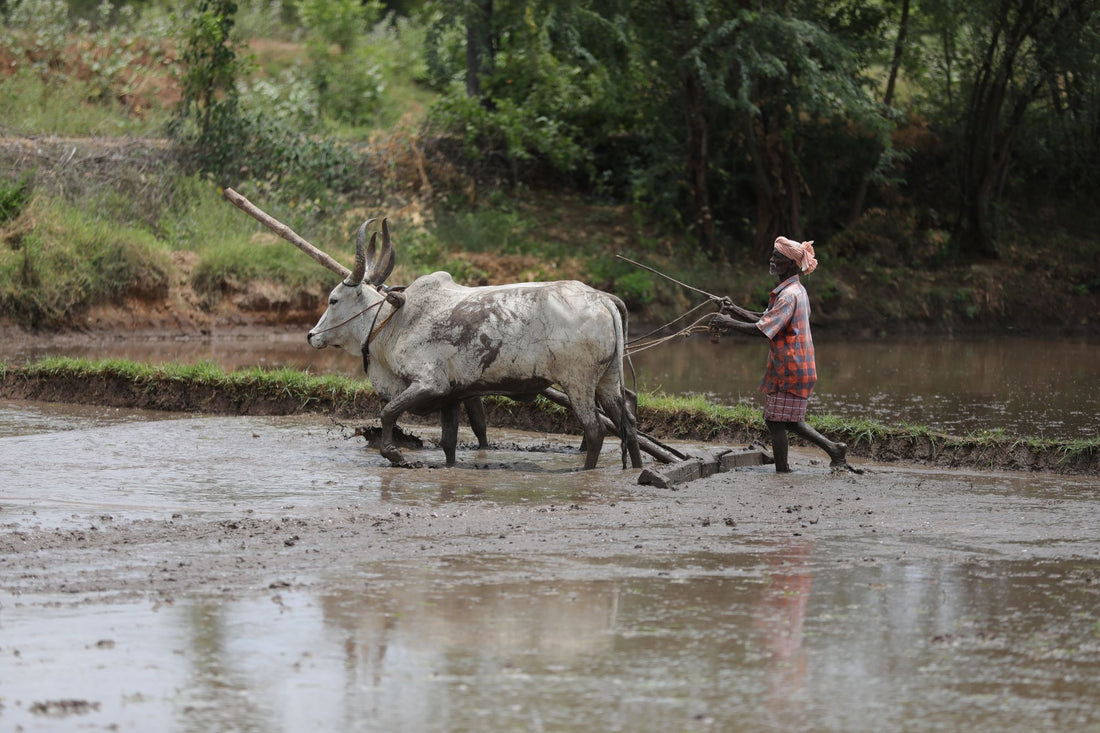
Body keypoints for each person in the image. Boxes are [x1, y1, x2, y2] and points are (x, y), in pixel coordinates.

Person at [710, 236, 852, 473]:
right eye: (774, 256)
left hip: (791, 367)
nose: (772, 260)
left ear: (791, 265)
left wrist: (728, 322)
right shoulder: (792, 290)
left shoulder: (789, 295)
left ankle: (784, 470)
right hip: (791, 366)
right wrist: (733, 310)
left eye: (778, 257)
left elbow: (763, 330)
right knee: (787, 420)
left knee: (776, 420)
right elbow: (766, 319)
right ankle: (833, 449)